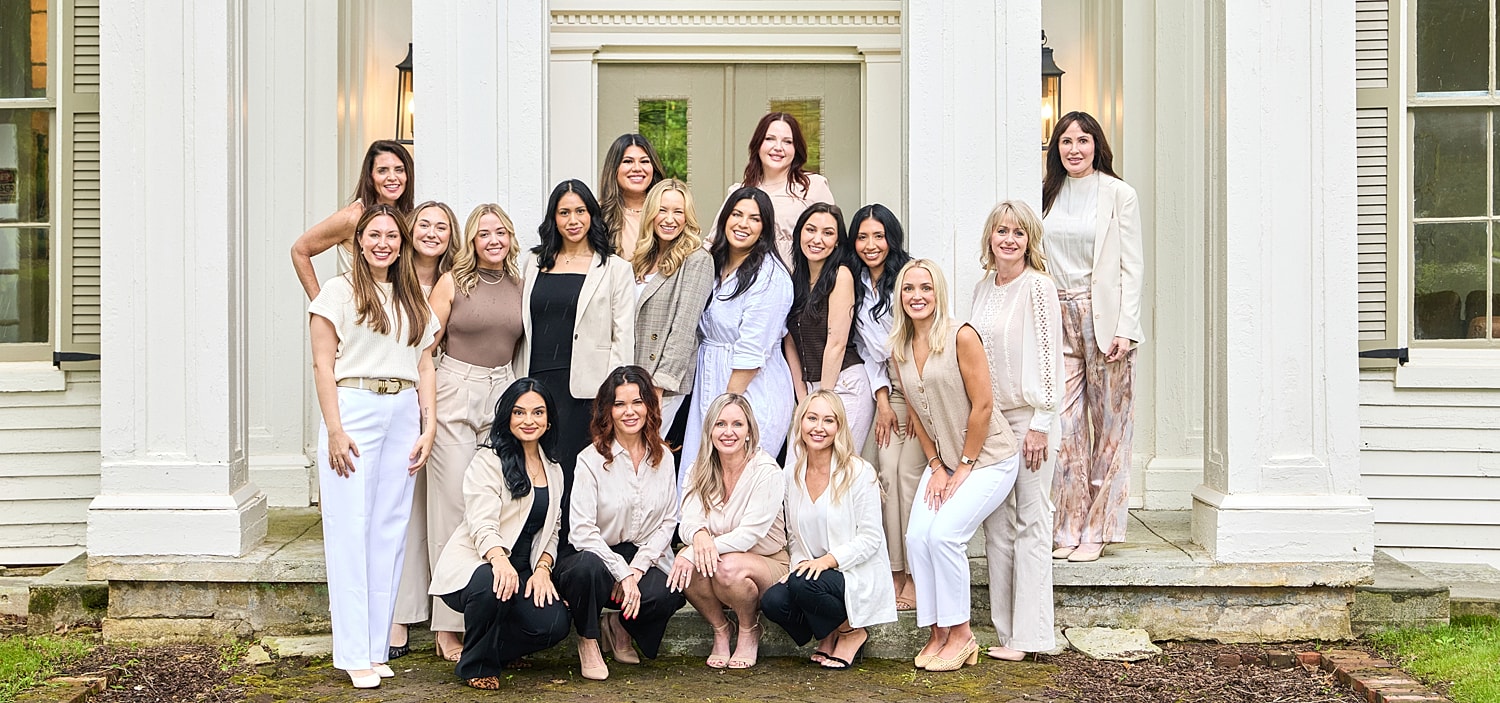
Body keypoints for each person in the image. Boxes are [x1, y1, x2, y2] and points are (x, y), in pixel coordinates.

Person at [307, 204, 438, 689]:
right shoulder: (337, 293)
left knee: (389, 531)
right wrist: (334, 429)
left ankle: (376, 648)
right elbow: (323, 365)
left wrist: (428, 426)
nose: (383, 243)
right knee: (350, 529)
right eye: (374, 235)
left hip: (403, 411)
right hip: (354, 409)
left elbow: (424, 364)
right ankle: (352, 652)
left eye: (392, 236)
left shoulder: (411, 296)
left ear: (401, 245)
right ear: (358, 242)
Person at [890, 259, 1020, 672]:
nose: (917, 296)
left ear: (938, 293)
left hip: (990, 458)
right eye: (909, 289)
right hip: (945, 463)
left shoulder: (961, 335)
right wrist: (936, 465)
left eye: (925, 288)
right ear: (900, 296)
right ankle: (938, 632)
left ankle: (962, 636)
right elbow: (916, 411)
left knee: (945, 536)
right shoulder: (899, 348)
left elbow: (983, 406)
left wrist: (963, 466)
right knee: (917, 538)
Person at [416, 203, 525, 662]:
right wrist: (427, 412)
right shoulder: (453, 282)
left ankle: (488, 611)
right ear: (472, 241)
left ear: (510, 237)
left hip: (502, 392)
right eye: (484, 234)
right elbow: (423, 348)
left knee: (493, 504)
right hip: (456, 389)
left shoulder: (521, 283)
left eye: (501, 232)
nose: (493, 240)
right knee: (453, 507)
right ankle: (447, 624)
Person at [1041, 111, 1143, 563]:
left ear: (1096, 145)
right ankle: (1068, 525)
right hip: (1057, 314)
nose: (1074, 149)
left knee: (1110, 429)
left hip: (1105, 320)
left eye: (1083, 140)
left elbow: (1131, 266)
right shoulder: (1047, 193)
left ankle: (1098, 529)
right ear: (1056, 148)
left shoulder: (1118, 194)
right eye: (1066, 141)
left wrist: (1126, 327)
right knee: (1064, 426)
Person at [427, 378, 571, 690]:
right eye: (519, 412)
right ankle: (477, 667)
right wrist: (499, 560)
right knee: (492, 583)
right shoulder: (488, 461)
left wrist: (543, 569)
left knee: (554, 624)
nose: (529, 420)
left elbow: (554, 528)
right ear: (507, 417)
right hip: (478, 565)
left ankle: (495, 650)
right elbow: (481, 522)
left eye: (537, 412)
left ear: (548, 420)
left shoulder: (554, 469)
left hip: (523, 571)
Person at [516, 180, 636, 552]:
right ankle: (533, 554)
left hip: (585, 390)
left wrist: (614, 397)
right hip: (536, 384)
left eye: (580, 211)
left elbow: (623, 338)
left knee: (572, 474)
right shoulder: (534, 263)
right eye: (564, 212)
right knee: (535, 471)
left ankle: (570, 557)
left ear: (592, 215)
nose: (573, 220)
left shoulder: (614, 268)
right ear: (553, 217)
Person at [970, 200, 1062, 661]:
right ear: (990, 237)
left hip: (1030, 420)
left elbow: (1049, 357)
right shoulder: (982, 288)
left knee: (1031, 522)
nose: (1009, 239)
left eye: (1018, 232)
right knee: (998, 527)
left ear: (1029, 241)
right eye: (1002, 231)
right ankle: (1006, 635)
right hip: (993, 421)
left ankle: (1032, 636)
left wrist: (1041, 423)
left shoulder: (1038, 286)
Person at [553, 366, 686, 680]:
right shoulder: (590, 459)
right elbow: (581, 532)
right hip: (596, 554)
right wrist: (620, 571)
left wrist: (636, 568)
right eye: (620, 404)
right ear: (607, 411)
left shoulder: (664, 457)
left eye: (637, 402)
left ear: (649, 406)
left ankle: (620, 624)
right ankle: (588, 639)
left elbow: (668, 521)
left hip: (640, 554)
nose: (630, 411)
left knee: (669, 591)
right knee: (585, 570)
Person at [762, 390, 895, 670]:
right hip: (814, 574)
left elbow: (871, 538)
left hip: (853, 571)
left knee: (804, 583)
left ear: (839, 427)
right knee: (773, 601)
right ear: (800, 422)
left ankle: (851, 632)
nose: (819, 427)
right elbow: (794, 538)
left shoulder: (859, 472)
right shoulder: (791, 475)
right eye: (812, 418)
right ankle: (828, 630)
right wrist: (799, 565)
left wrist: (826, 561)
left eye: (828, 420)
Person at [667, 393, 789, 670]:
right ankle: (721, 629)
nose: (728, 432)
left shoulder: (766, 471)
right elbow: (688, 522)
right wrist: (698, 537)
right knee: (687, 569)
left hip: (767, 562)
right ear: (709, 430)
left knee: (721, 565)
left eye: (737, 424)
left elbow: (749, 535)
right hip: (721, 561)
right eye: (720, 424)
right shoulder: (698, 469)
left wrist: (694, 550)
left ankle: (749, 629)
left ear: (749, 431)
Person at [390, 198, 462, 659]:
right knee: (404, 508)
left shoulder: (458, 279)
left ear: (451, 236)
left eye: (442, 227)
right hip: (395, 393)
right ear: (410, 230)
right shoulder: (389, 276)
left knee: (445, 509)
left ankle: (445, 616)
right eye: (424, 225)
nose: (432, 233)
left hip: (441, 394)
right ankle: (399, 611)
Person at [681, 188, 795, 470]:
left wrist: (727, 410)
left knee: (739, 477)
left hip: (748, 390)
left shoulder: (770, 276)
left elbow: (751, 352)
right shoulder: (713, 263)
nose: (743, 224)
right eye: (737, 214)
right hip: (709, 380)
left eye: (754, 219)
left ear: (765, 228)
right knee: (702, 476)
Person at [848, 204, 921, 612]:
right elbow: (867, 353)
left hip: (922, 391)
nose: (870, 245)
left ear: (892, 238)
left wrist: (912, 401)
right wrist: (882, 401)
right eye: (862, 237)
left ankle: (915, 572)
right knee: (885, 474)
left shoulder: (909, 278)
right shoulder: (855, 283)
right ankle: (893, 570)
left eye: (878, 236)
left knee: (908, 476)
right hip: (891, 392)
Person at [784, 203, 874, 450]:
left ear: (837, 242)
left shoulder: (840, 276)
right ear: (799, 233)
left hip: (844, 385)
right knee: (797, 465)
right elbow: (789, 340)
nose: (817, 239)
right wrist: (803, 397)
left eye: (828, 233)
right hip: (811, 388)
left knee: (836, 466)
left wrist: (821, 402)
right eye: (811, 230)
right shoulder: (795, 278)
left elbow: (836, 343)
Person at [632, 178, 715, 431]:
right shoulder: (640, 259)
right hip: (632, 376)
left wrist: (659, 386)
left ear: (687, 217)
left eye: (678, 212)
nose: (670, 219)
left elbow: (684, 329)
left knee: (647, 449)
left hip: (661, 384)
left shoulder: (697, 260)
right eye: (662, 210)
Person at [292, 140, 415, 299]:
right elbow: (300, 250)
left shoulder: (410, 216)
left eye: (399, 170)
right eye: (382, 170)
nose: (392, 177)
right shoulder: (353, 217)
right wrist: (320, 304)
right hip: (357, 309)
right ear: (370, 176)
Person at [717, 112, 835, 267]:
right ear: (758, 144)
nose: (778, 147)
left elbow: (832, 238)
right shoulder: (740, 191)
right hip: (744, 278)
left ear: (796, 148)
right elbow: (714, 240)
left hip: (796, 278)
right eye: (770, 139)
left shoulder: (813, 186)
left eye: (787, 142)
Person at [598, 134, 665, 261]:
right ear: (614, 168)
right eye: (628, 161)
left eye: (644, 161)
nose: (637, 168)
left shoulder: (668, 212)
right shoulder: (598, 214)